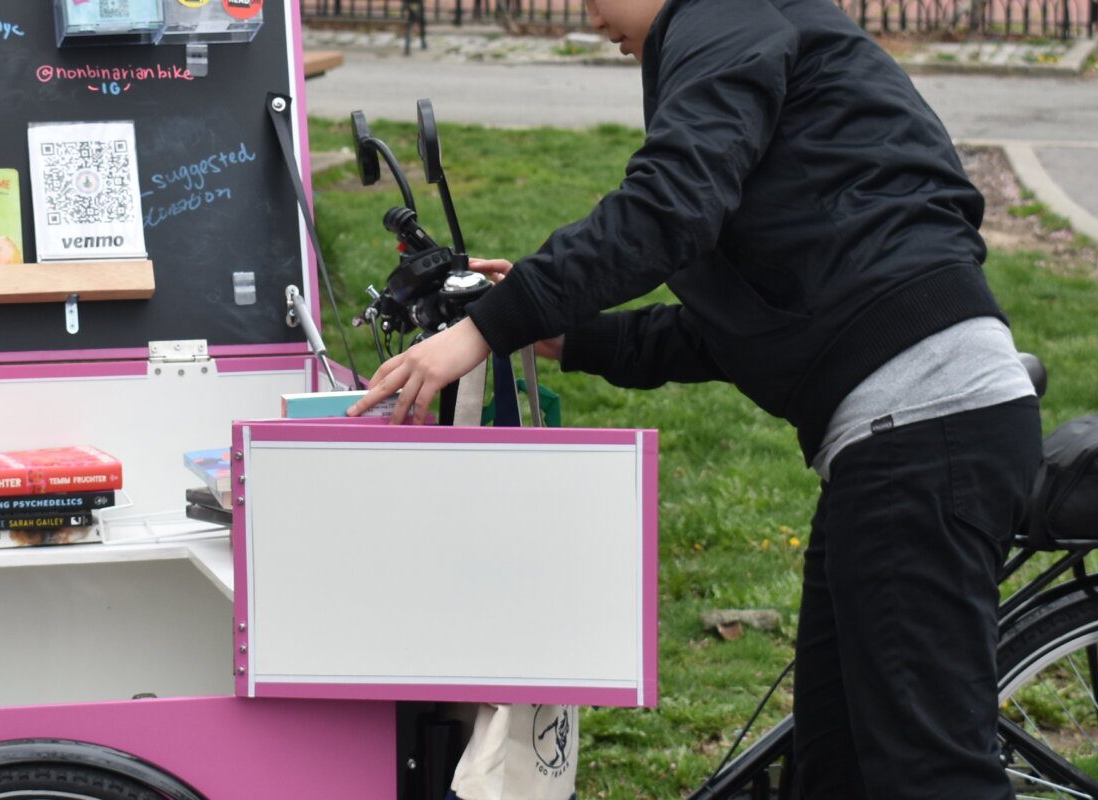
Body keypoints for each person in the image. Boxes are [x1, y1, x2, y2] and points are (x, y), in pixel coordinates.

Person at [342, 0, 1038, 793]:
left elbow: (666, 208)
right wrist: (567, 335)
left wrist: (484, 330)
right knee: (834, 767)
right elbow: (749, 324)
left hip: (922, 429)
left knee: (928, 776)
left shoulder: (726, 13)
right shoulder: (750, 28)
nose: (589, 14)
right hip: (906, 430)